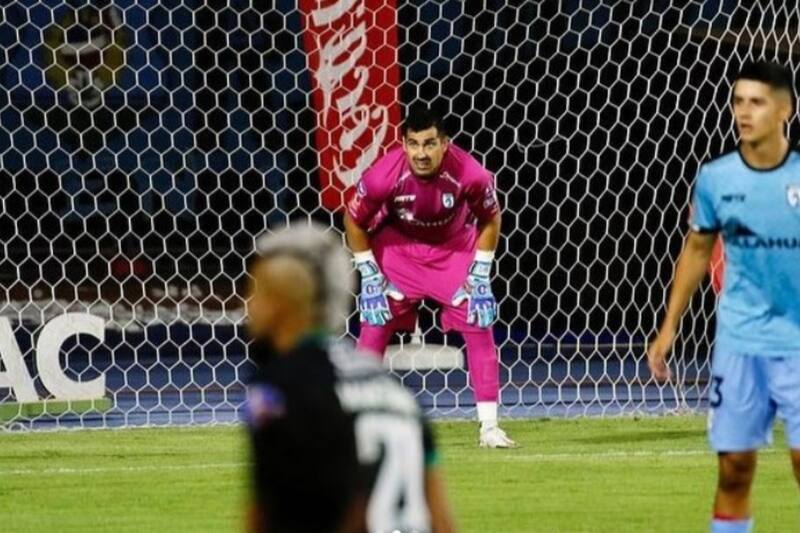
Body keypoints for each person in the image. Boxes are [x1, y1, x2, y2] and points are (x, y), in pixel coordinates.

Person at [647, 60, 800, 533]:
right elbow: (697, 251)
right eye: (738, 102)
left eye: (757, 102)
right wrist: (668, 327)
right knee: (734, 471)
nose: (744, 112)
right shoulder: (716, 178)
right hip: (738, 345)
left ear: (785, 109)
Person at [245, 223, 455, 532]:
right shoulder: (395, 390)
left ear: (281, 305)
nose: (248, 306)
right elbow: (441, 519)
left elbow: (276, 513)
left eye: (256, 293)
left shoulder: (278, 389)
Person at [344, 106, 516, 448]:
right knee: (374, 324)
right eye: (413, 144)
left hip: (453, 251)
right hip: (399, 250)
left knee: (479, 322)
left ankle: (490, 428)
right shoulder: (383, 175)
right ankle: (356, 426)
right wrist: (370, 275)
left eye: (429, 144)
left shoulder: (471, 174)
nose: (421, 153)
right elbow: (353, 220)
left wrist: (481, 274)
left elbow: (491, 219)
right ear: (404, 144)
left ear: (445, 144)